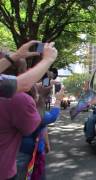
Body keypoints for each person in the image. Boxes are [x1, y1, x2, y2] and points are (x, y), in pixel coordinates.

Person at [0, 42, 57, 180]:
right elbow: (37, 122)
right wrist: (48, 59)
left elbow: (24, 83)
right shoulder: (18, 98)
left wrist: (16, 55)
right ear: (22, 72)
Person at [17, 85, 63, 179]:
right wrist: (58, 100)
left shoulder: (18, 107)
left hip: (29, 151)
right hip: (27, 153)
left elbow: (43, 126)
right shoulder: (32, 112)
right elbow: (51, 117)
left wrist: (47, 143)